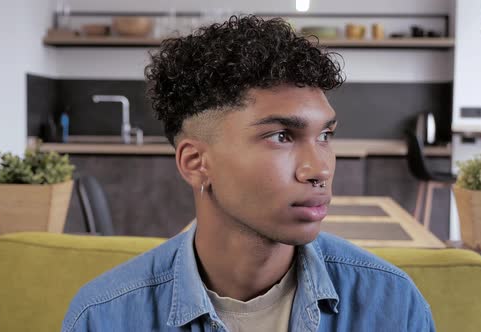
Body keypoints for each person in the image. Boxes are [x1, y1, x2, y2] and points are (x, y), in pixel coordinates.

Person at [62, 15, 435, 332]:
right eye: (280, 136)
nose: (319, 168)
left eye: (325, 135)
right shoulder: (105, 317)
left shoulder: (392, 305)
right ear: (195, 163)